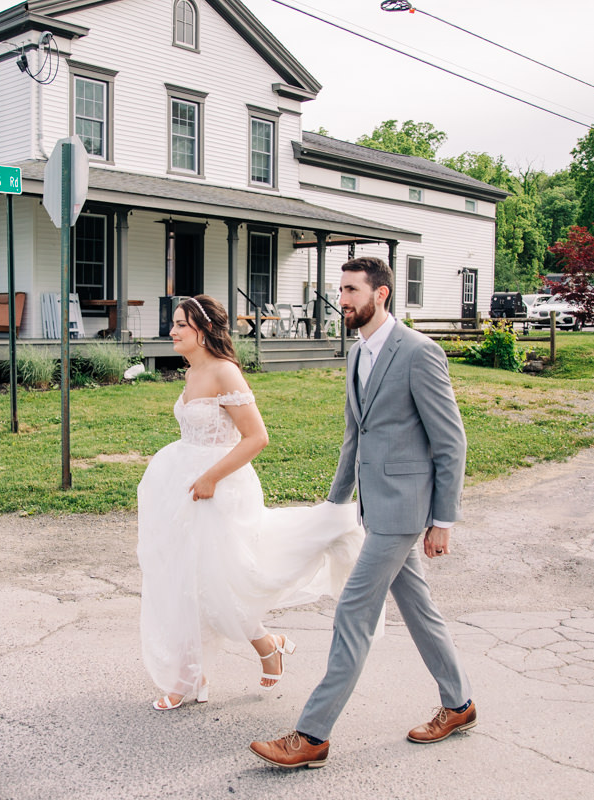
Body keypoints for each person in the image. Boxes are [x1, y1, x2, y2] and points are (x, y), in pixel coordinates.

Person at [250, 256, 474, 770]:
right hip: (373, 506)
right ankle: (459, 703)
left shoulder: (419, 353)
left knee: (353, 610)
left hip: (405, 509)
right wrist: (335, 504)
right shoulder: (356, 353)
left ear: (382, 294)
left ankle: (312, 735)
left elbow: (450, 440)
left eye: (351, 290)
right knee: (419, 610)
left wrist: (443, 520)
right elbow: (357, 433)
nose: (342, 299)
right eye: (341, 290)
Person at [136, 294, 364, 711]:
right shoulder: (192, 372)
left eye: (180, 324)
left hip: (221, 491)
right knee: (187, 584)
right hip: (184, 489)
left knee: (222, 584)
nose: (172, 331)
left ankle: (265, 644)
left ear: (202, 331)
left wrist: (210, 477)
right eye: (173, 324)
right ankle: (194, 675)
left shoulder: (225, 372)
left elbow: (257, 437)